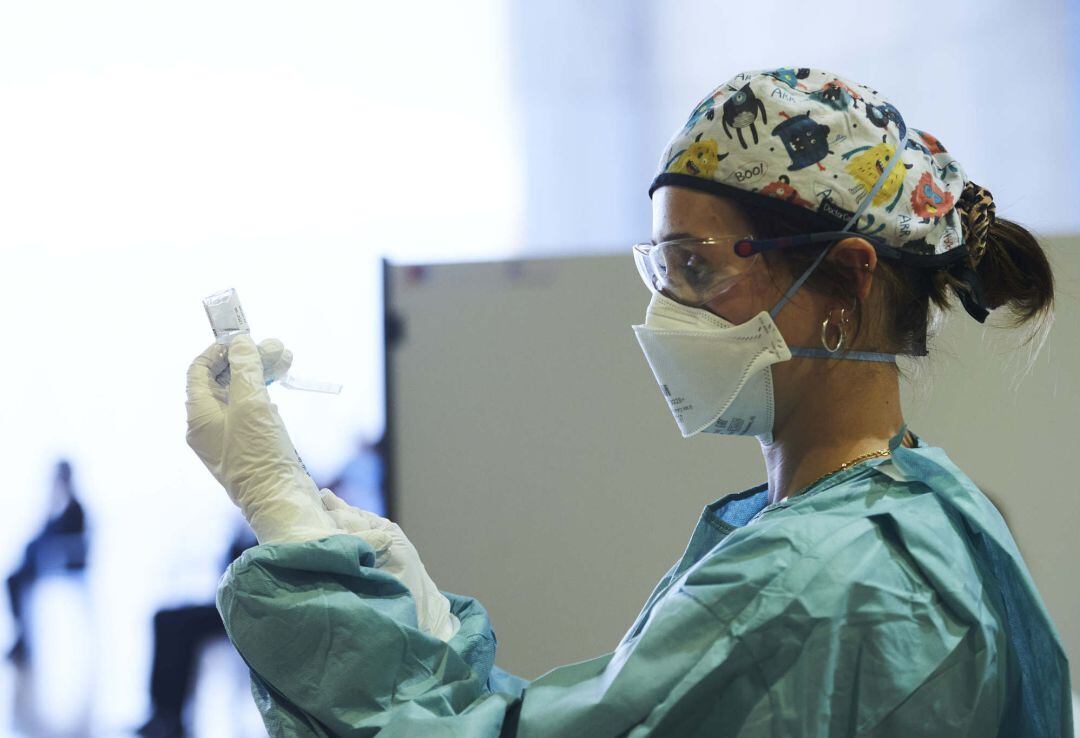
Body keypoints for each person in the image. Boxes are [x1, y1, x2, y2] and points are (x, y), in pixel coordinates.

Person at [185, 68, 1073, 736]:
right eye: (661, 269)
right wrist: (412, 608)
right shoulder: (920, 511)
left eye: (699, 267)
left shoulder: (818, 581)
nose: (667, 313)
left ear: (842, 279)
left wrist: (286, 517)